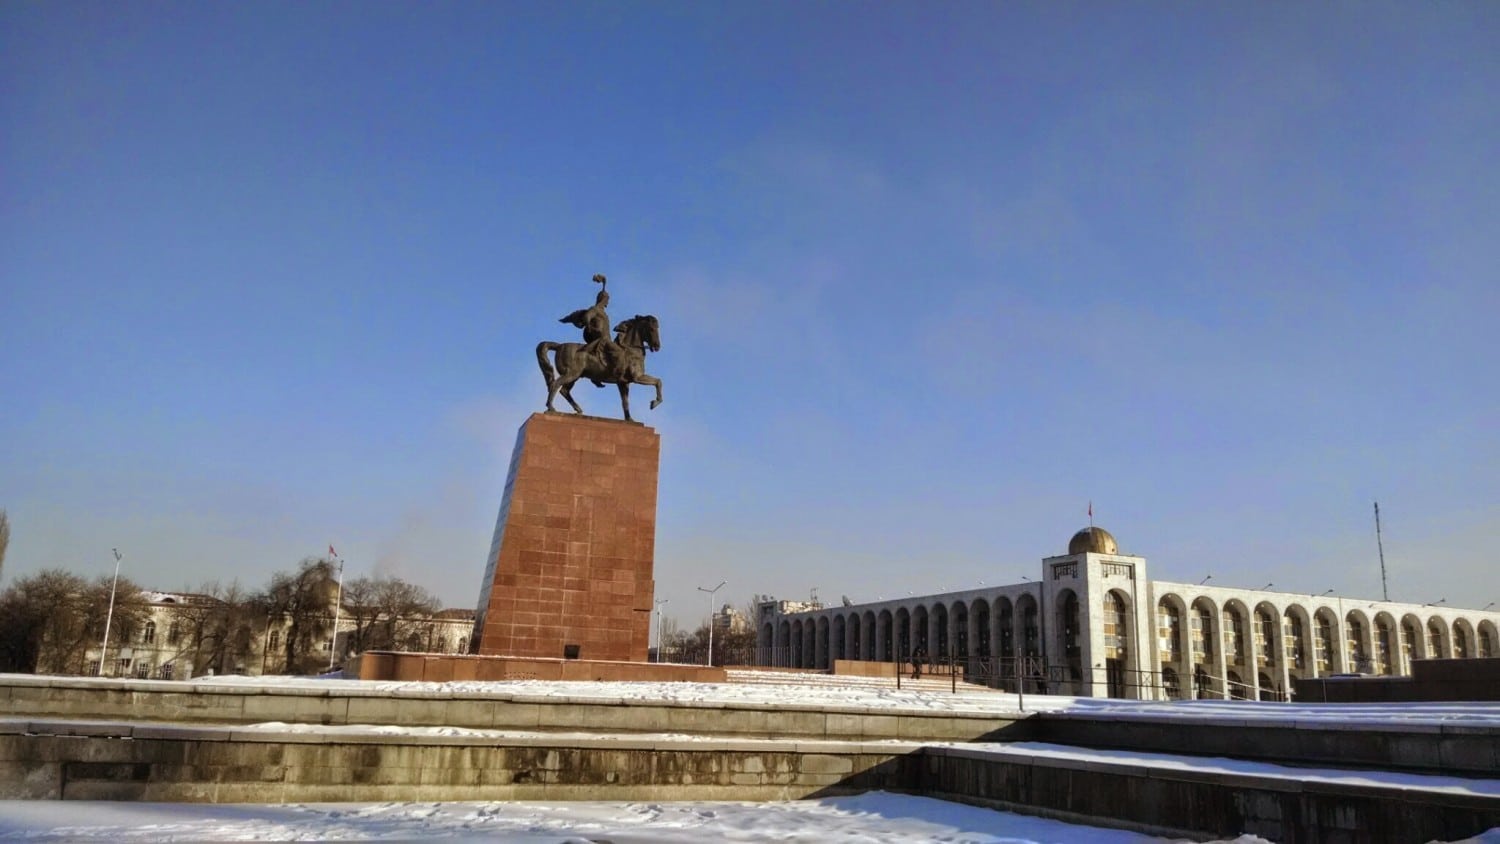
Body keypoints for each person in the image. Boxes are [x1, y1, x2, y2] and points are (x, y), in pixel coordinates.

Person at [559, 274, 625, 385]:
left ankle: (600, 376)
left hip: (606, 339)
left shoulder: (602, 312)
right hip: (603, 340)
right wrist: (590, 328)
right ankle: (613, 374)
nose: (607, 302)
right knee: (619, 353)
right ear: (602, 299)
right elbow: (586, 317)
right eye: (606, 299)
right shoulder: (595, 309)